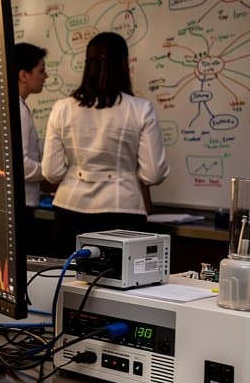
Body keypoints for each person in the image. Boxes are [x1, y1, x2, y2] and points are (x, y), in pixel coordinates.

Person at [41, 31, 170, 257]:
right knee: (121, 290)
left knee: (67, 285)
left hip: (70, 211)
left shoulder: (62, 108)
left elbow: (51, 172)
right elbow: (153, 174)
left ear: (87, 65)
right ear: (123, 65)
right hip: (122, 211)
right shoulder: (140, 109)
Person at [16, 41, 48, 256]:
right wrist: (51, 172)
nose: (46, 76)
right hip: (22, 208)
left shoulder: (17, 106)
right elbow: (22, 165)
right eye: (41, 70)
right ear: (23, 75)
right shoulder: (20, 111)